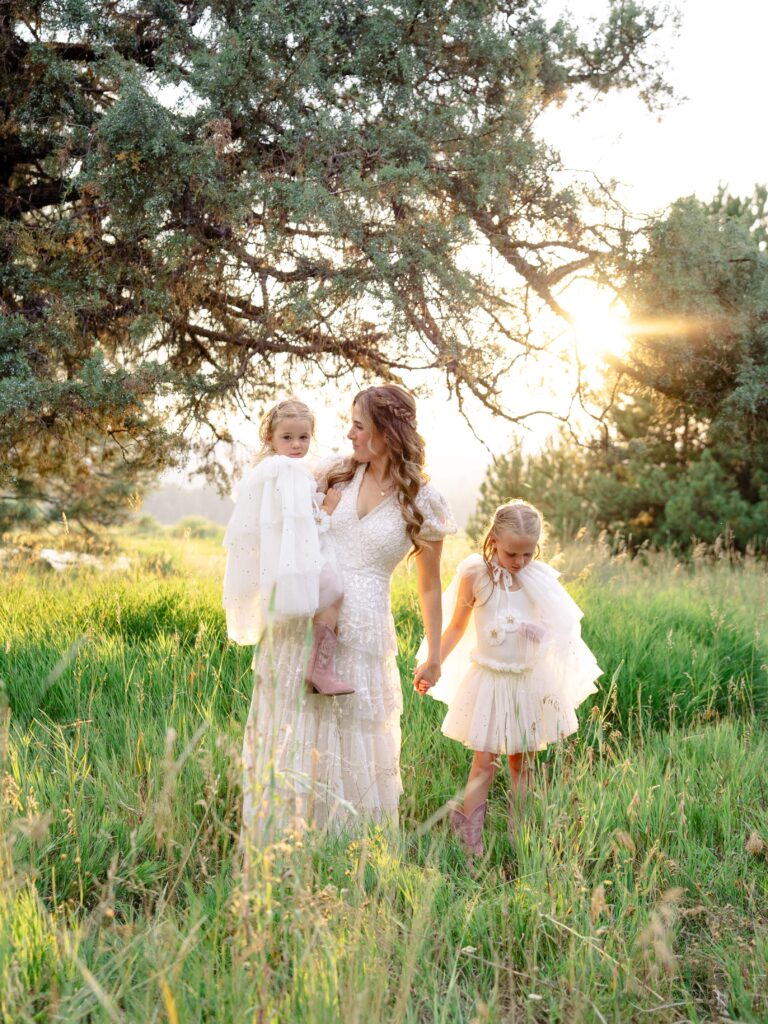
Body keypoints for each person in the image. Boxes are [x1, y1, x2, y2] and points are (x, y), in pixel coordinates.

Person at [241, 384, 456, 848]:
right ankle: (284, 842)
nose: (350, 433)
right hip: (304, 619)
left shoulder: (424, 499)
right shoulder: (333, 473)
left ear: (385, 431)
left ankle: (347, 848)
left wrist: (434, 654)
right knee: (297, 726)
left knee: (351, 733)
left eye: (359, 425)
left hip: (365, 632)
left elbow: (430, 585)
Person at [416, 500, 600, 860]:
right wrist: (434, 661)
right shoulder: (476, 575)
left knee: (523, 762)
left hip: (527, 683)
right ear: (494, 540)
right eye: (511, 553)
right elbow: (456, 626)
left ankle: (522, 833)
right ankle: (470, 838)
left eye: (527, 554)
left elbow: (561, 630)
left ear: (537, 549)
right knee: (484, 762)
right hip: (490, 680)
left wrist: (541, 631)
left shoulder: (539, 580)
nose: (518, 562)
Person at [222, 398, 351, 696]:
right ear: (270, 438)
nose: (296, 445)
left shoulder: (268, 470)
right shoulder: (289, 471)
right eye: (287, 437)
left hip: (278, 561)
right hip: (301, 555)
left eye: (303, 437)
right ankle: (320, 669)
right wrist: (328, 509)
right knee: (334, 592)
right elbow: (303, 524)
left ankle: (317, 666)